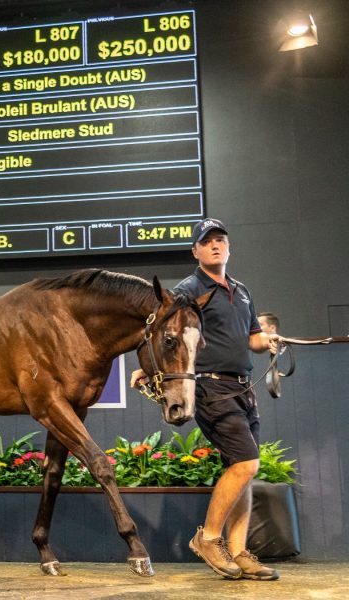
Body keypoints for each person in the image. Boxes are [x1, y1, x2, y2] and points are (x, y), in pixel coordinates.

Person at [130, 218, 280, 581]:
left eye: (221, 240)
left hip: (244, 389)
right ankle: (208, 538)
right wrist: (147, 369)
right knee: (247, 463)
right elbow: (169, 335)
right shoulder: (187, 290)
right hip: (211, 389)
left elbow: (252, 339)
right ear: (195, 251)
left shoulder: (241, 291)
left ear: (228, 248)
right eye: (207, 241)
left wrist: (268, 341)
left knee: (241, 469)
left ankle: (239, 552)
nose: (215, 245)